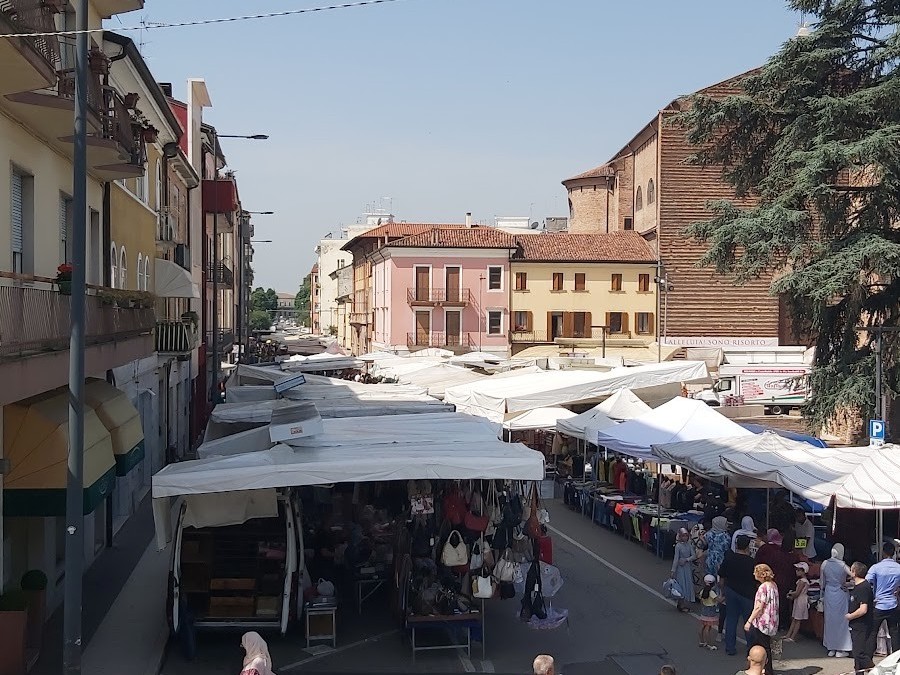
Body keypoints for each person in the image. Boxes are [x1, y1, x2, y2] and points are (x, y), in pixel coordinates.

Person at [719, 534, 759, 656]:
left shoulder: (729, 558)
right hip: (747, 594)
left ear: (736, 545)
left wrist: (723, 591)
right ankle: (751, 647)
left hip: (731, 590)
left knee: (731, 619)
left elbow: (722, 576)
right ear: (747, 547)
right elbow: (756, 580)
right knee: (749, 620)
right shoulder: (752, 562)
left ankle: (730, 647)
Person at [755, 528, 796, 630]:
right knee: (784, 603)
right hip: (787, 582)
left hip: (776, 580)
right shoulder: (793, 557)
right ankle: (783, 624)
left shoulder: (775, 553)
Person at [866, 541, 900, 657]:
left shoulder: (876, 567)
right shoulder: (898, 568)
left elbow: (867, 582)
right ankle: (896, 659)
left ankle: (868, 659)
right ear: (893, 553)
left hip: (879, 604)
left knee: (872, 632)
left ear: (883, 553)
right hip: (893, 603)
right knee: (894, 632)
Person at [744, 564, 779, 675]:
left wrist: (749, 621)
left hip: (762, 622)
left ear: (761, 574)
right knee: (766, 646)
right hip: (771, 621)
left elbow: (759, 607)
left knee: (760, 646)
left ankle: (763, 670)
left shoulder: (763, 587)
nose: (753, 574)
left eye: (755, 572)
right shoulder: (773, 585)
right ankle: (768, 670)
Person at [820, 543, 852, 657]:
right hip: (840, 593)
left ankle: (831, 647)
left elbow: (822, 583)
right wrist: (848, 584)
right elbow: (854, 575)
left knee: (829, 621)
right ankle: (841, 648)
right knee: (842, 621)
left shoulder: (824, 563)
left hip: (829, 593)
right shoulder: (843, 565)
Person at [848, 561, 875, 673]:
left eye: (851, 570)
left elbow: (863, 609)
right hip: (856, 625)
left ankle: (875, 670)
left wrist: (850, 616)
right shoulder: (857, 586)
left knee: (859, 653)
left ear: (854, 572)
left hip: (862, 625)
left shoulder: (863, 587)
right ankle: (859, 672)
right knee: (857, 655)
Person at [671, 527, 696, 611]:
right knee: (681, 585)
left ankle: (683, 603)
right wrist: (673, 570)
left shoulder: (689, 545)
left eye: (686, 536)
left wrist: (686, 560)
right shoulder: (678, 546)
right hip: (680, 569)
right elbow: (676, 559)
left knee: (687, 584)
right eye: (683, 536)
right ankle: (681, 604)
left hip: (687, 567)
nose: (685, 537)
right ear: (680, 536)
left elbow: (694, 556)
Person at [784, 562, 809, 642]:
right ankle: (788, 635)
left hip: (800, 600)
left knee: (797, 619)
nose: (796, 571)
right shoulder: (802, 581)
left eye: (799, 570)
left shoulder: (802, 581)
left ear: (804, 571)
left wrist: (790, 594)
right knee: (794, 618)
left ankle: (792, 637)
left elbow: (797, 592)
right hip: (799, 599)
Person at [698, 574, 721, 650]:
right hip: (711, 611)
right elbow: (719, 600)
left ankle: (701, 641)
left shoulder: (702, 591)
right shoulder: (711, 593)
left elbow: (701, 600)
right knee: (708, 628)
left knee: (702, 626)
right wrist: (724, 596)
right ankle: (709, 644)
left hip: (704, 610)